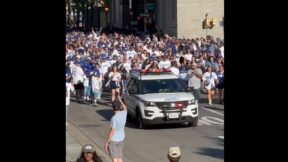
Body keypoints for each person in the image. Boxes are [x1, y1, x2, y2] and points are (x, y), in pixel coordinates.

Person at [104, 95, 127, 162]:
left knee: (114, 159)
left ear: (113, 108)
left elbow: (112, 131)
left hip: (114, 140)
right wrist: (120, 100)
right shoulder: (124, 113)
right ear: (120, 106)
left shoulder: (114, 118)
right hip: (121, 138)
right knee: (119, 158)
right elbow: (125, 108)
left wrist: (107, 142)